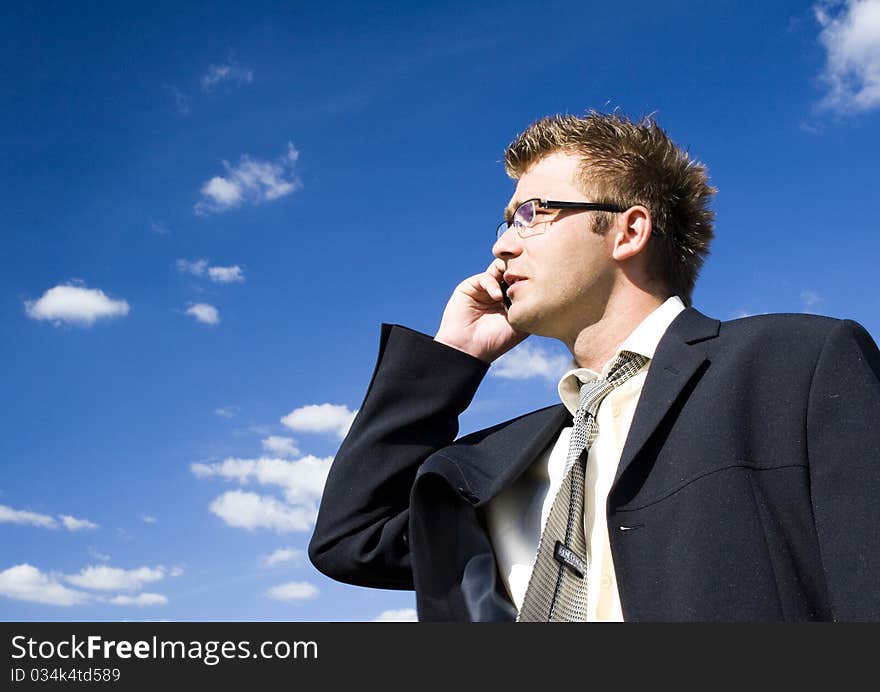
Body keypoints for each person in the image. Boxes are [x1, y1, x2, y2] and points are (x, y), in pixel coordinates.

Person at [308, 111, 880, 621]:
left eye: (531, 213)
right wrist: (451, 359)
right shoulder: (507, 462)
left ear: (628, 231)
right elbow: (350, 537)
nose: (503, 246)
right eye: (506, 221)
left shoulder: (794, 368)